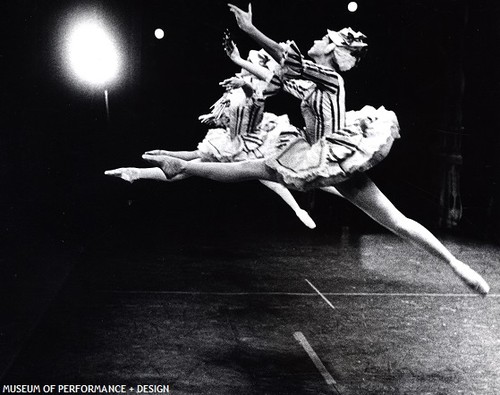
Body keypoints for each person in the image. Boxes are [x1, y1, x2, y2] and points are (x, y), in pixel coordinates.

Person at [142, 4, 490, 295]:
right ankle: (181, 167)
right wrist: (242, 66)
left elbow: (285, 57)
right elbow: (277, 78)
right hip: (309, 152)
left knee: (395, 220)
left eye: (323, 39)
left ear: (333, 52)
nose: (316, 39)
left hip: (336, 156)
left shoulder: (331, 77)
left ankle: (454, 264)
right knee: (254, 167)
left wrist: (251, 30)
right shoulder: (311, 83)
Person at [105, 36, 317, 229]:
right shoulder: (237, 84)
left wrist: (244, 85)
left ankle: (298, 208)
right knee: (190, 166)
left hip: (253, 138)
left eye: (251, 63)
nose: (246, 65)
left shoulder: (256, 85)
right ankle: (137, 172)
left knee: (278, 176)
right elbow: (231, 110)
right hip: (233, 138)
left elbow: (255, 101)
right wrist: (217, 117)